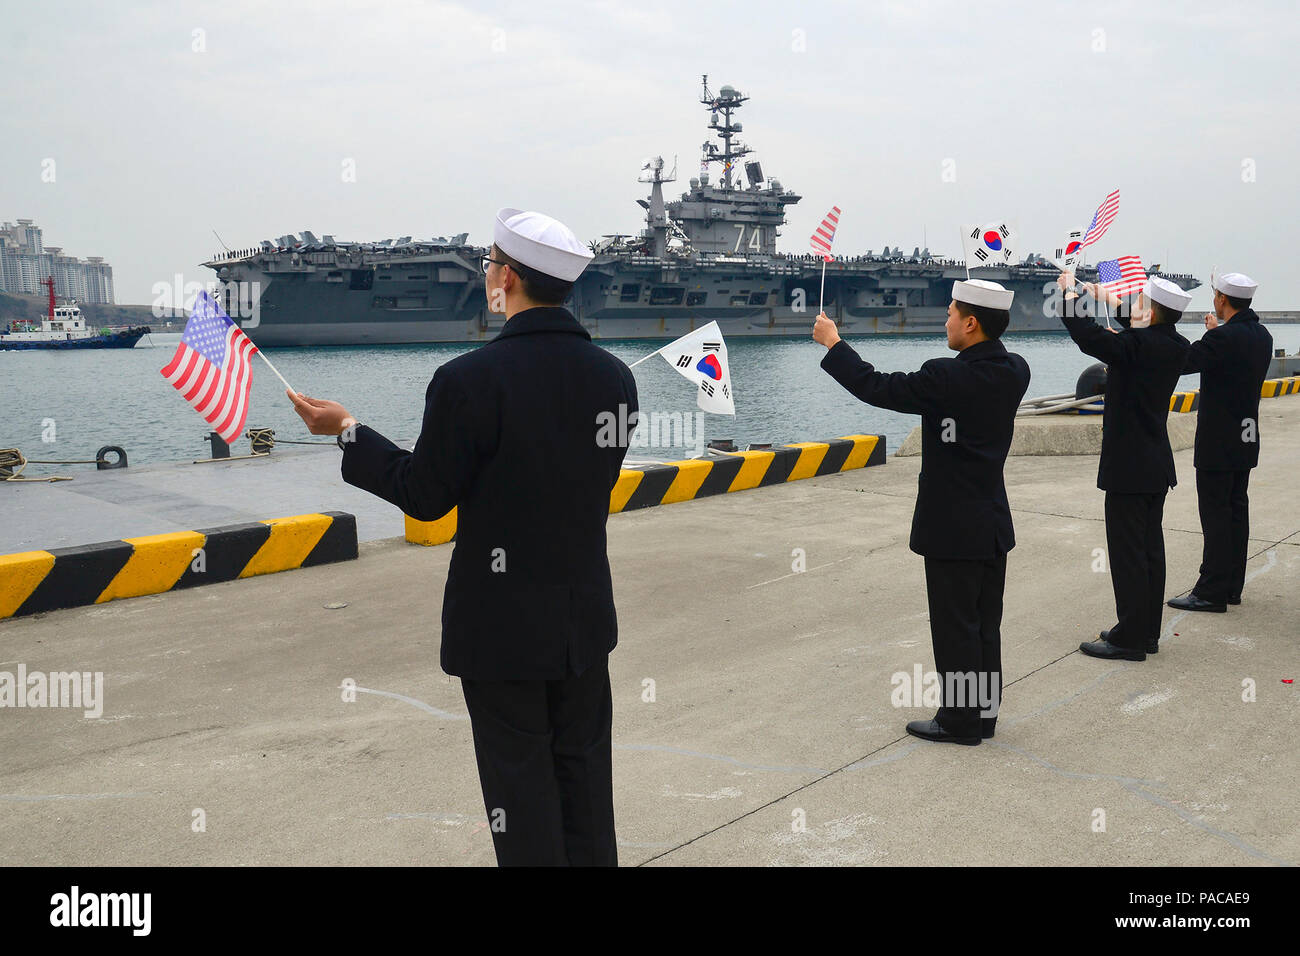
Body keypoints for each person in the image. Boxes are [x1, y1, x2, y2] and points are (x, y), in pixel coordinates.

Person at [289, 208, 638, 866]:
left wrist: (346, 431)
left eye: (490, 266)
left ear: (504, 278)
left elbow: (425, 497)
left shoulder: (467, 380)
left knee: (521, 792)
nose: (488, 275)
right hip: (583, 622)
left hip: (501, 630)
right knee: (586, 785)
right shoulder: (617, 379)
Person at [814, 279, 1030, 745]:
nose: (945, 319)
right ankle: (983, 715)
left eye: (952, 312)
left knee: (955, 627)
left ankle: (958, 722)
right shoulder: (1017, 370)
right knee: (984, 623)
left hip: (953, 528)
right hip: (992, 522)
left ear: (971, 323)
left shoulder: (945, 377)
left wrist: (834, 343)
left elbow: (876, 387)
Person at [1058, 273, 1191, 660]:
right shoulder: (1175, 345)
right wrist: (1105, 296)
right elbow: (1137, 333)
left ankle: (1129, 637)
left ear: (1148, 312)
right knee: (1150, 550)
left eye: (1139, 302)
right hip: (1155, 465)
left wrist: (1068, 294)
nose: (1133, 306)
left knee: (1128, 553)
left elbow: (1088, 337)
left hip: (1128, 467)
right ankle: (1146, 631)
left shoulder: (1135, 346)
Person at [1168, 273, 1272, 613]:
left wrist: (1208, 336)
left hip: (1219, 437)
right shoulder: (1262, 335)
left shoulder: (1222, 339)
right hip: (1246, 433)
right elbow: (1232, 360)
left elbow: (1183, 361)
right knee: (1236, 511)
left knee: (1214, 514)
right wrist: (1216, 334)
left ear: (1222, 300)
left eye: (1215, 295)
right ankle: (1231, 587)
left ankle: (1210, 590)